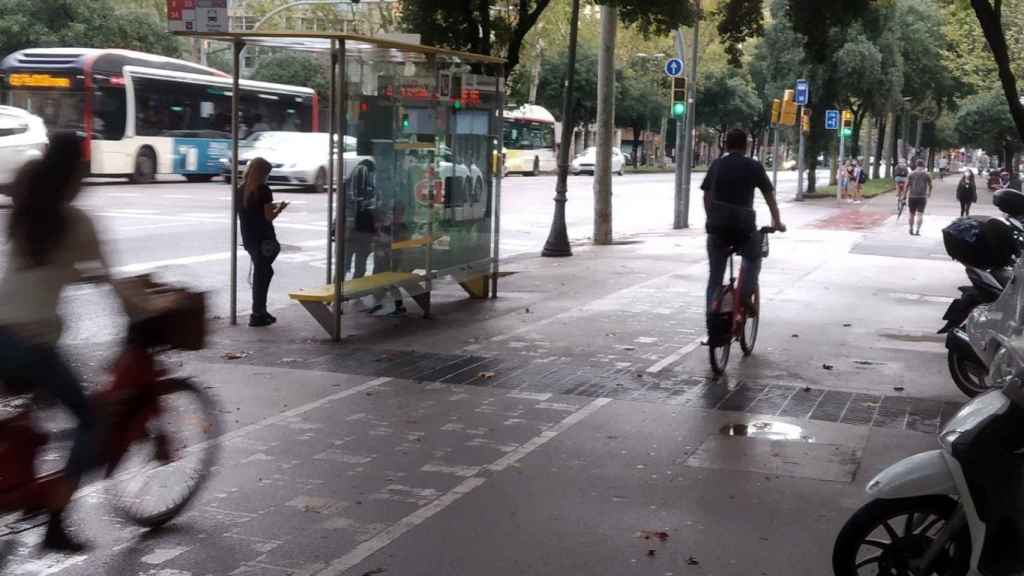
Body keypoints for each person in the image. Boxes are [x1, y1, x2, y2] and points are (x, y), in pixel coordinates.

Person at [0, 132, 132, 551]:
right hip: (31, 343)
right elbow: (111, 283)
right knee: (91, 419)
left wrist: (77, 275)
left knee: (33, 411)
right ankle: (56, 524)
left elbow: (43, 271)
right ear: (74, 173)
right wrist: (144, 311)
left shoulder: (25, 212)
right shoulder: (76, 221)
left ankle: (24, 489)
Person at [701, 128, 786, 318]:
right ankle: (744, 296)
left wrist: (711, 217)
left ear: (726, 145)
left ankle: (711, 320)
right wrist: (777, 222)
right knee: (753, 258)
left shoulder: (716, 165)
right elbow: (769, 196)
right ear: (746, 146)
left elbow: (706, 195)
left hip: (717, 229)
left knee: (715, 278)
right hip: (743, 229)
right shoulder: (753, 166)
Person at [236, 157, 287, 327]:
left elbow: (250, 212)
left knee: (263, 272)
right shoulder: (263, 190)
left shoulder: (241, 189)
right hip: (264, 238)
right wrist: (279, 209)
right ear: (262, 173)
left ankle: (259, 311)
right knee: (262, 274)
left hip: (249, 238)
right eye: (267, 173)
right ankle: (257, 313)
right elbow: (268, 217)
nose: (267, 177)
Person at [907, 159, 933, 236]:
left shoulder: (911, 174)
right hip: (922, 197)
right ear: (923, 165)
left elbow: (907, 185)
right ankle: (917, 230)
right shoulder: (927, 174)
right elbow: (931, 185)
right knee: (920, 214)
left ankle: (911, 229)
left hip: (912, 196)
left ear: (916, 165)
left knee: (911, 214)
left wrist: (904, 196)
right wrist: (929, 193)